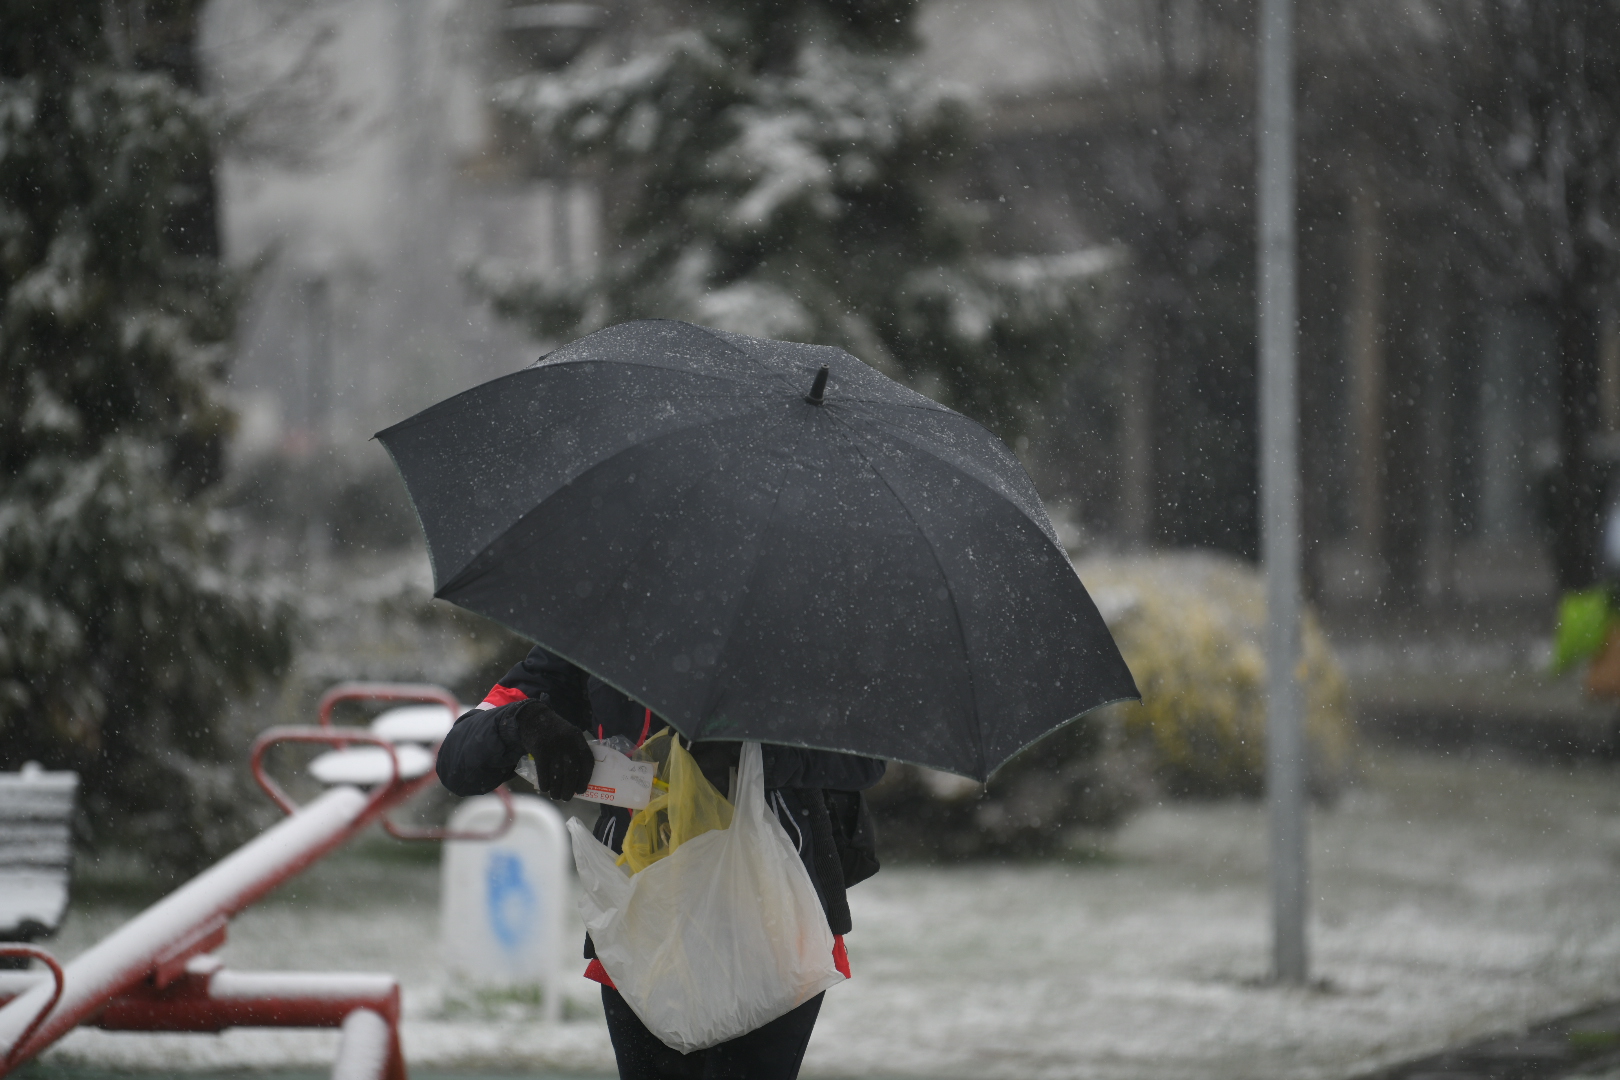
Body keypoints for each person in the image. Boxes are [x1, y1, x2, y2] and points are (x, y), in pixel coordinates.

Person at [436, 644, 885, 1080]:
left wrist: (750, 754)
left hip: (777, 916)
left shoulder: (792, 625)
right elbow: (458, 760)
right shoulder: (602, 625)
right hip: (639, 918)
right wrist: (524, 722)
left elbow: (865, 754)